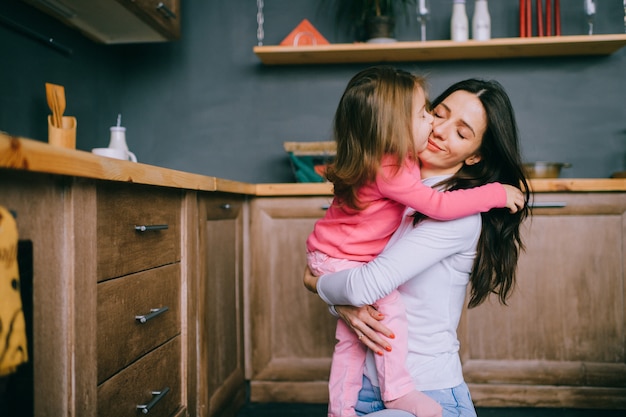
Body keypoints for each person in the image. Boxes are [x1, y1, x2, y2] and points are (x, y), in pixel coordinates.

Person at [306, 68, 525, 417]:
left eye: (461, 132)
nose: (438, 129)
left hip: (427, 392)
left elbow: (361, 285)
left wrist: (321, 287)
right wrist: (333, 294)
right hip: (363, 388)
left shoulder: (458, 215)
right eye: (437, 113)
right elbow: (337, 259)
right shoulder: (388, 190)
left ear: (474, 157)